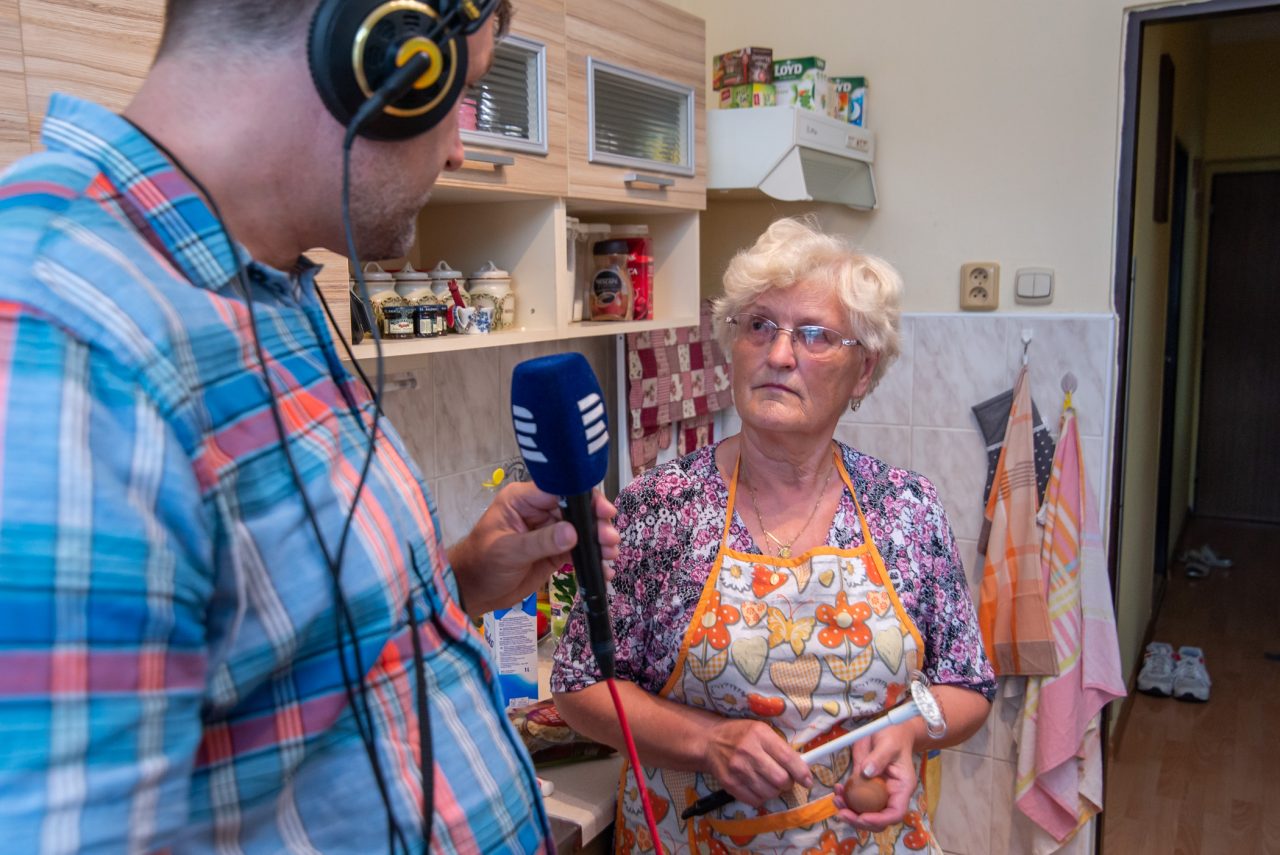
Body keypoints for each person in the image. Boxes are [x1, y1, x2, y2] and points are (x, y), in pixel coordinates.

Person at [0, 1, 619, 852]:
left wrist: (460, 580)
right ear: (373, 54)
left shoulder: (266, 281)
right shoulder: (57, 333)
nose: (458, 148)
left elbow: (281, 666)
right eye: (461, 94)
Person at [553, 217, 995, 854]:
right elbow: (579, 684)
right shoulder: (661, 507)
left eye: (815, 335)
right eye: (760, 325)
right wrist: (707, 741)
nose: (780, 355)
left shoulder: (906, 508)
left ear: (863, 371)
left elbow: (968, 686)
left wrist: (910, 734)